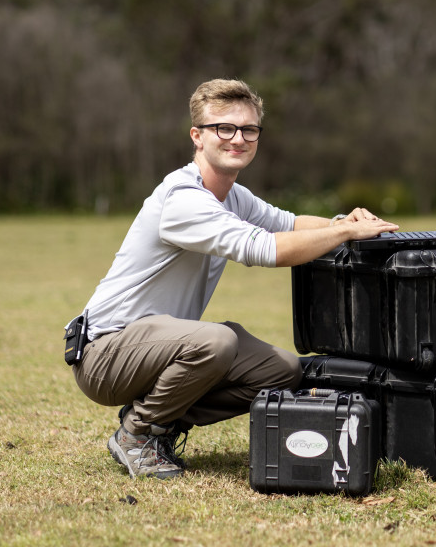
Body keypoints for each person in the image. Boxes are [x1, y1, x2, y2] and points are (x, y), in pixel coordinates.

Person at [68, 78, 399, 479]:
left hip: (156, 349)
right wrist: (344, 233)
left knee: (282, 371)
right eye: (224, 128)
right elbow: (266, 249)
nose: (238, 138)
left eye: (248, 129)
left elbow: (288, 223)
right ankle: (138, 434)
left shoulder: (232, 196)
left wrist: (342, 221)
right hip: (105, 354)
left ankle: (162, 421)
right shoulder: (183, 198)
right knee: (216, 341)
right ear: (198, 136)